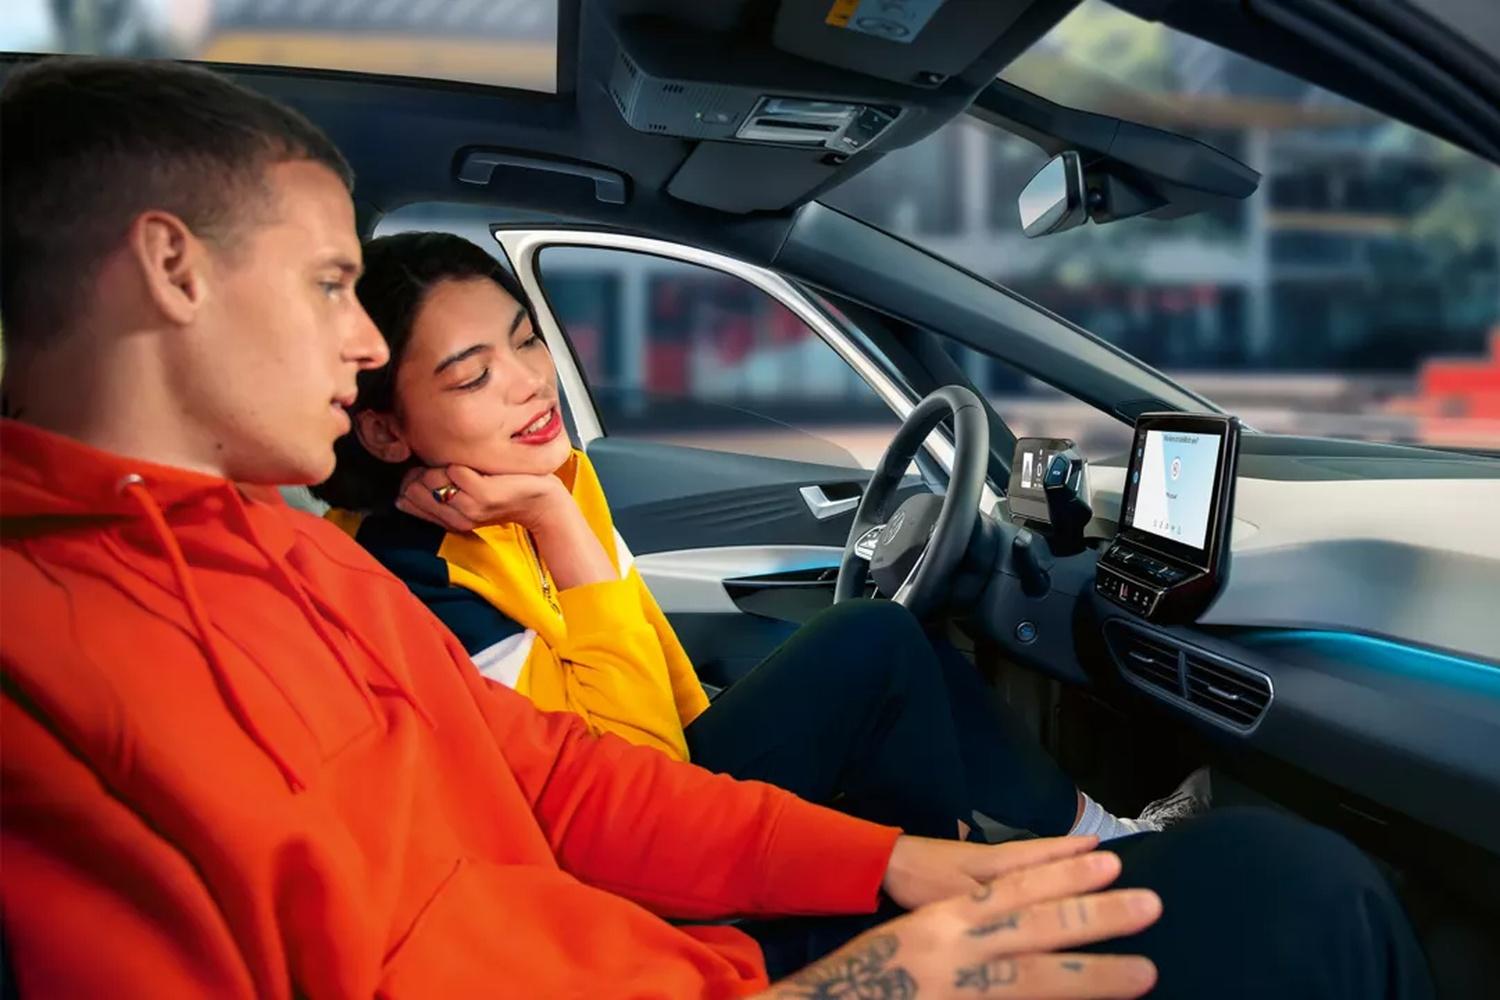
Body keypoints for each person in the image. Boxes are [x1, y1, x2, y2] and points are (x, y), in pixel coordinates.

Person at [0, 57, 1432, 1000]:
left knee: (1269, 879)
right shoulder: (43, 680)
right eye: (328, 285)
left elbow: (567, 786)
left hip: (676, 955)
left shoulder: (287, 552)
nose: (359, 342)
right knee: (1295, 895)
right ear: (174, 269)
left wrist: (887, 868)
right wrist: (861, 985)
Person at [312, 230, 1202, 844]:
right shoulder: (424, 587)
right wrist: (556, 521)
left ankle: (1066, 846)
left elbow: (647, 655)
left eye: (526, 342)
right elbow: (627, 791)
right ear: (386, 430)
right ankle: (1036, 865)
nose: (529, 385)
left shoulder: (535, 483)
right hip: (624, 857)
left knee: (866, 655)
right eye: (472, 378)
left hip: (666, 777)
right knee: (874, 641)